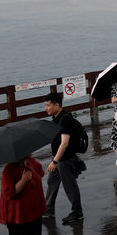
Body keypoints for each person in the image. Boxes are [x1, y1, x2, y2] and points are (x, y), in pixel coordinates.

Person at [42, 92, 84, 225]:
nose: (46, 108)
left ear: (57, 105)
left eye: (48, 105)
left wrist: (55, 161)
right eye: (45, 105)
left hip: (65, 159)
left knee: (70, 186)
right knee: (51, 181)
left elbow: (64, 143)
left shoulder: (65, 119)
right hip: (59, 159)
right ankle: (48, 209)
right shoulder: (56, 118)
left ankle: (77, 212)